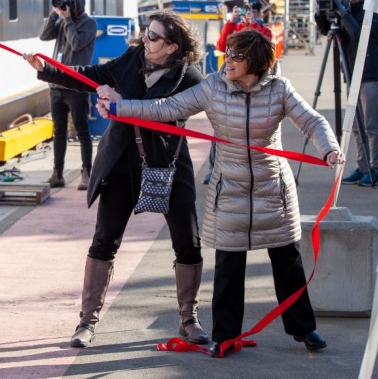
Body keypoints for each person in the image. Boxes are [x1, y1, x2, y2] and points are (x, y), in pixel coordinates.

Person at [97, 30, 344, 357]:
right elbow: (166, 108)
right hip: (229, 189)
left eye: (237, 56)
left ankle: (303, 328)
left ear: (255, 63)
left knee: (288, 263)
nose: (228, 60)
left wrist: (329, 149)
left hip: (273, 189)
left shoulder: (280, 89)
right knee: (229, 267)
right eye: (228, 53)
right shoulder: (213, 86)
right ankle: (225, 336)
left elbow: (312, 122)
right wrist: (121, 108)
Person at [23, 11, 209, 348]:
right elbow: (91, 75)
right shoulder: (133, 57)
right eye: (145, 33)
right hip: (122, 159)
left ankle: (189, 318)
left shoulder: (190, 78)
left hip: (167, 162)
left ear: (172, 47)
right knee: (104, 240)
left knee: (188, 242)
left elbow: (164, 109)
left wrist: (124, 103)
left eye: (153, 36)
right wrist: (46, 68)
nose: (144, 40)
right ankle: (87, 321)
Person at [314, 0, 378, 187]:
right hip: (351, 75)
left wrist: (342, 11)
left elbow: (355, 32)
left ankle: (374, 170)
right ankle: (361, 167)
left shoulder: (371, 12)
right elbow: (325, 30)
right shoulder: (346, 10)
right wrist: (320, 9)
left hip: (369, 76)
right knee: (356, 126)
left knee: (370, 126)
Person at [204, 0, 271, 185]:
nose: (247, 14)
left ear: (258, 13)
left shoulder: (263, 30)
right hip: (230, 86)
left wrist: (253, 26)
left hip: (254, 88)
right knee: (221, 129)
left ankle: (250, 172)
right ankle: (214, 170)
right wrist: (232, 22)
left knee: (252, 132)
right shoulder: (236, 27)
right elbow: (221, 46)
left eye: (251, 10)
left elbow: (262, 50)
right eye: (245, 10)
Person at [39, 0, 97, 191]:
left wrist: (67, 20)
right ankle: (57, 174)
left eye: (67, 3)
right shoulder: (63, 20)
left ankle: (86, 173)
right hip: (56, 85)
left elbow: (77, 44)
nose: (65, 7)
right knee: (59, 131)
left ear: (77, 3)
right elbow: (44, 36)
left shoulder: (88, 23)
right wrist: (53, 14)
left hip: (76, 87)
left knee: (82, 130)